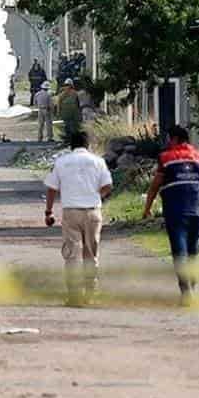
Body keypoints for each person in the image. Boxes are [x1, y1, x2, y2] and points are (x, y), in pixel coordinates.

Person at [141, 125, 199, 302]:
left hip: (175, 213)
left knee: (180, 251)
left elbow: (154, 186)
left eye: (168, 140)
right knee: (193, 250)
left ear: (174, 139)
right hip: (198, 211)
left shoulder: (166, 158)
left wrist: (147, 208)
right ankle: (191, 285)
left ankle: (186, 290)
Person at [43, 130, 113, 305]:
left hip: (71, 212)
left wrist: (49, 212)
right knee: (91, 253)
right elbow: (107, 186)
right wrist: (97, 196)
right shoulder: (98, 161)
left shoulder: (61, 162)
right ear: (87, 145)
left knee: (72, 254)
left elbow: (51, 188)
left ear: (71, 145)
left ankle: (74, 294)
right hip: (92, 212)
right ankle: (90, 292)